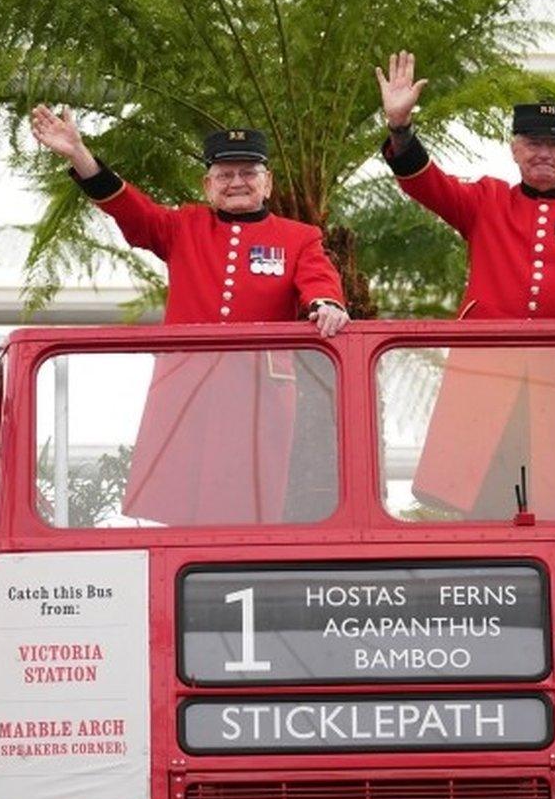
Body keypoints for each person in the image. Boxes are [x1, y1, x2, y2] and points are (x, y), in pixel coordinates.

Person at [30, 106, 348, 524]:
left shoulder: (298, 237)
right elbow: (132, 209)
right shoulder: (184, 226)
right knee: (180, 498)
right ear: (208, 184)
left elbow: (318, 280)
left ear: (267, 182)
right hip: (188, 381)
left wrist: (326, 304)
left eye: (248, 173)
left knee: (254, 501)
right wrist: (79, 155)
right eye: (225, 174)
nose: (237, 182)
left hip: (259, 389)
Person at [374, 51, 555, 520]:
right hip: (487, 383)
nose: (544, 153)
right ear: (514, 149)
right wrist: (400, 129)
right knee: (484, 512)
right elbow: (427, 183)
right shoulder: (487, 200)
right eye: (533, 143)